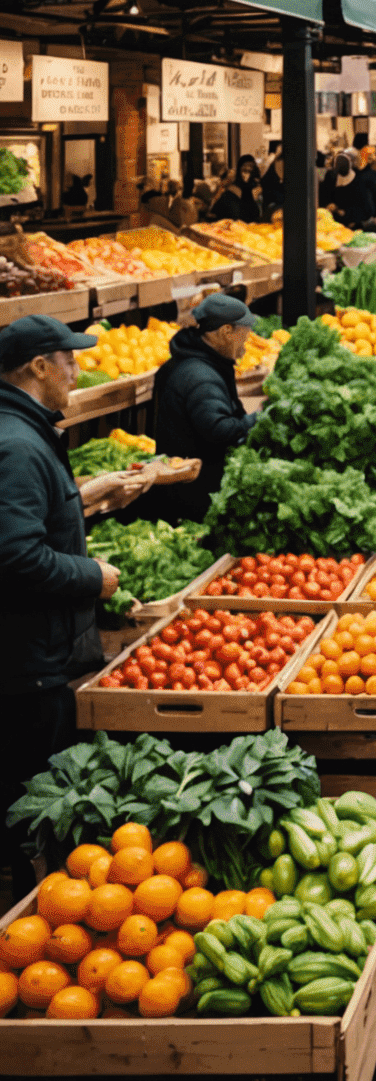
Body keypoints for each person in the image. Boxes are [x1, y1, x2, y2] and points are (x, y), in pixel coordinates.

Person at [0, 316, 121, 901]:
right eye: (68, 360)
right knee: (29, 798)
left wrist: (79, 496)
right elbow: (16, 555)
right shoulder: (19, 445)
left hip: (34, 649)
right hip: (30, 657)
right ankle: (33, 907)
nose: (77, 370)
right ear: (38, 368)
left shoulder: (23, 432)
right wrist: (90, 576)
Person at [153, 293, 261, 521]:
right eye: (245, 332)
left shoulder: (193, 362)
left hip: (185, 484)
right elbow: (219, 431)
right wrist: (262, 418)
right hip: (196, 494)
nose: (247, 340)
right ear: (226, 332)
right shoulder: (201, 377)